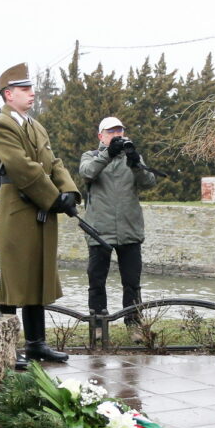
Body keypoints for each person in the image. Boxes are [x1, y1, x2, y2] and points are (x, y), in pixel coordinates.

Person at [0, 62, 81, 366]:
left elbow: (53, 162)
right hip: (19, 208)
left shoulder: (34, 125)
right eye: (24, 89)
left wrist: (68, 191)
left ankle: (36, 344)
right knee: (14, 279)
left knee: (36, 276)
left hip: (41, 208)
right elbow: (21, 167)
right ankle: (4, 347)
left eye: (31, 88)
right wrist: (54, 199)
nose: (31, 93)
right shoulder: (2, 125)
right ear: (8, 94)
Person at [77, 116, 158, 325]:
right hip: (99, 231)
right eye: (111, 132)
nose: (116, 135)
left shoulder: (131, 157)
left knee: (132, 283)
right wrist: (107, 155)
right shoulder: (91, 156)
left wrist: (135, 163)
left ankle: (133, 323)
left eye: (119, 131)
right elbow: (86, 173)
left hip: (129, 229)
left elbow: (150, 182)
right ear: (101, 136)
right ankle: (98, 325)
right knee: (96, 281)